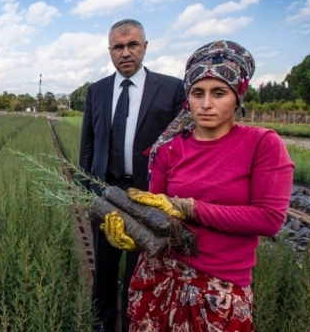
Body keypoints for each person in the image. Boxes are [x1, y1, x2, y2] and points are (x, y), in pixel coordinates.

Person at [111, 40, 294, 331]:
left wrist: (188, 208)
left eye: (218, 93)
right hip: (158, 279)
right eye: (198, 93)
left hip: (217, 292)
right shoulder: (168, 148)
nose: (206, 104)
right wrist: (133, 235)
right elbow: (157, 216)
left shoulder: (262, 144)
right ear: (188, 98)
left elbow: (269, 219)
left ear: (238, 96)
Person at [80, 19, 186, 332]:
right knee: (105, 263)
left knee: (141, 265)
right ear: (109, 51)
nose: (126, 52)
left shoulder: (171, 89)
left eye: (133, 45)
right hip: (105, 190)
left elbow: (182, 147)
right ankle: (103, 321)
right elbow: (87, 145)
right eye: (118, 47)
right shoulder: (96, 91)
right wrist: (89, 189)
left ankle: (134, 323)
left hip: (147, 194)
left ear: (145, 47)